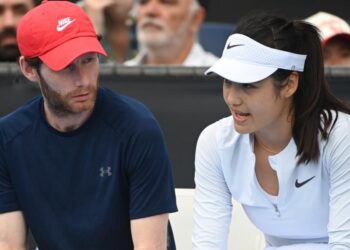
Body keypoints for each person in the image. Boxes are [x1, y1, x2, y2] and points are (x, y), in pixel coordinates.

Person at [0, 1, 177, 249]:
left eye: (89, 60)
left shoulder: (137, 128)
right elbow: (8, 244)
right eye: (65, 66)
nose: (83, 79)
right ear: (29, 69)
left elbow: (151, 247)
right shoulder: (8, 138)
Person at [193, 12, 350, 250]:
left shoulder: (342, 136)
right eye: (227, 81)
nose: (232, 98)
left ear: (290, 84)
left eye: (248, 85)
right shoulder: (213, 141)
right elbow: (207, 245)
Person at [125, 0, 217, 66]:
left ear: (196, 18)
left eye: (166, 2)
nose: (150, 11)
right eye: (143, 2)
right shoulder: (117, 81)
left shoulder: (223, 79)